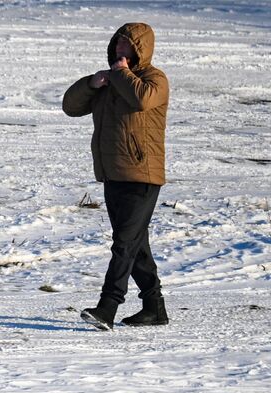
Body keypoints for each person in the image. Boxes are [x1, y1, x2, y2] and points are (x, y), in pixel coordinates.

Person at [63, 22, 170, 330]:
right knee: (135, 245)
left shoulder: (154, 79)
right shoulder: (109, 82)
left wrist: (121, 74)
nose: (120, 51)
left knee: (124, 243)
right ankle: (154, 307)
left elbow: (142, 100)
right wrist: (90, 85)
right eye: (117, 45)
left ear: (140, 50)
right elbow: (70, 107)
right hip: (113, 174)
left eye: (127, 46)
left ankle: (107, 307)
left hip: (142, 174)